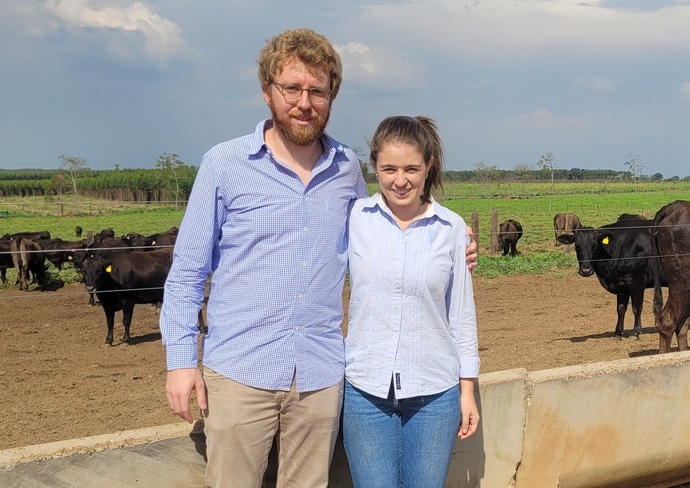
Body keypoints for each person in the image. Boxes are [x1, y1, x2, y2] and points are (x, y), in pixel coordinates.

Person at [160, 29, 475, 488]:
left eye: (317, 91)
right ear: (268, 92)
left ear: (332, 96)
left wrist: (452, 235)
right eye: (292, 88)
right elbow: (187, 272)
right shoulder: (224, 165)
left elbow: (390, 221)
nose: (304, 102)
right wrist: (180, 360)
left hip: (320, 377)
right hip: (241, 371)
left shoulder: (345, 169)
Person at [342, 115, 480, 487]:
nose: (399, 180)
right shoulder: (354, 219)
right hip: (365, 391)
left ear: (428, 166)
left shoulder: (451, 229)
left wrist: (467, 392)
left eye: (410, 169)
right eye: (388, 168)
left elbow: (461, 315)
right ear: (373, 166)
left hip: (434, 393)